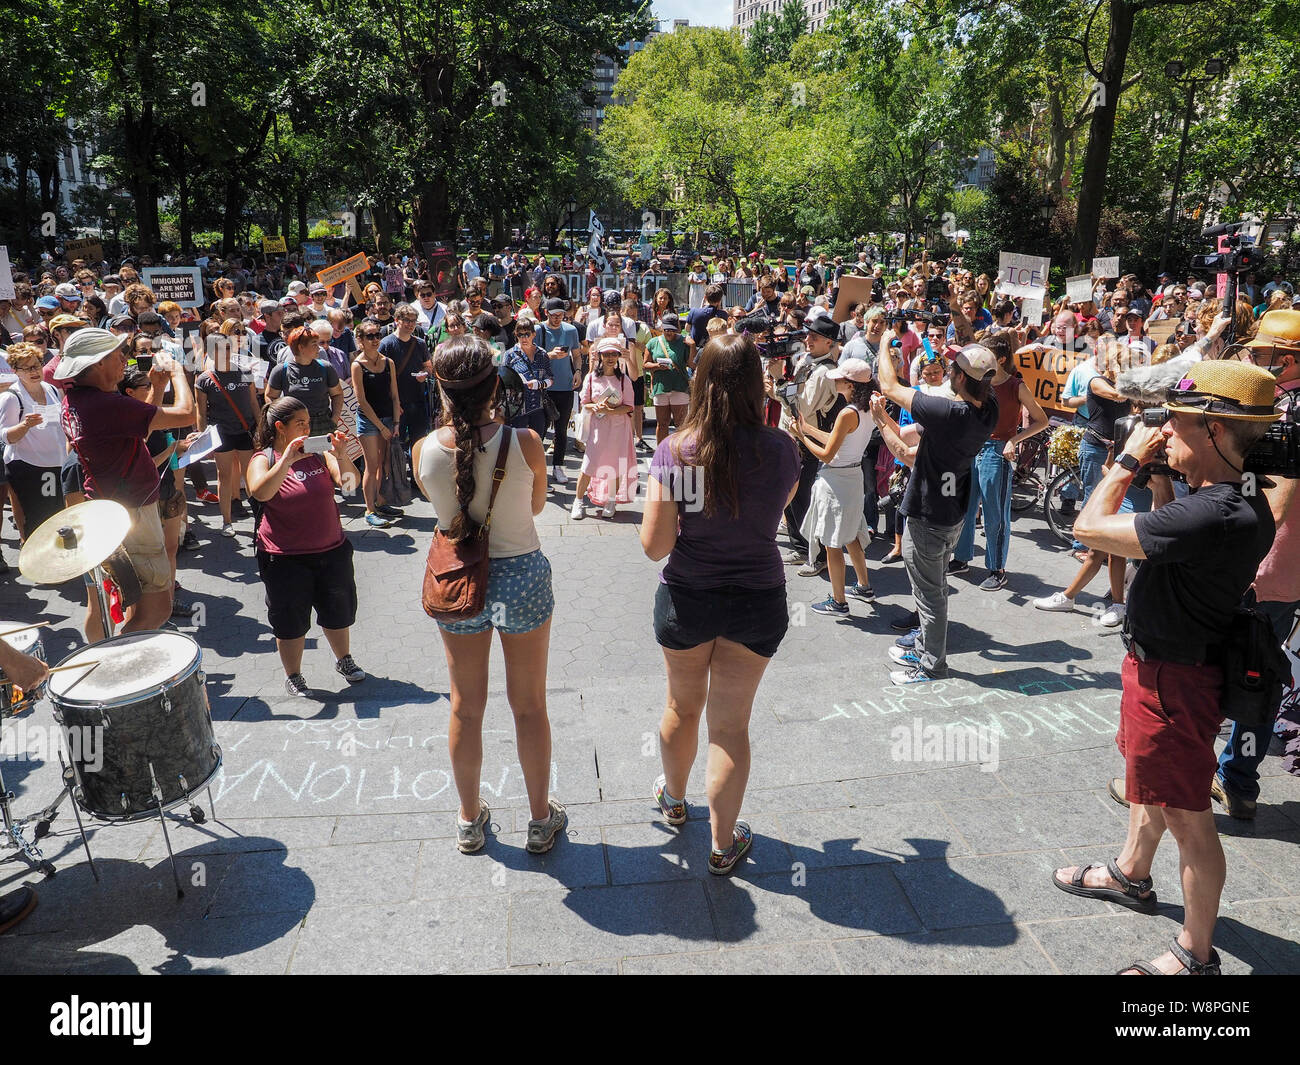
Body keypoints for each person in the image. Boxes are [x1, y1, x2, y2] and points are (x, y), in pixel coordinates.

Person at [1053, 360, 1280, 976]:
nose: (1161, 431)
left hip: (1176, 680)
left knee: (1187, 814)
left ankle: (1195, 954)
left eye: (1174, 422)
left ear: (1212, 428)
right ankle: (1131, 872)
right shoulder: (1232, 496)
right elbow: (1174, 533)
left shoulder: (1215, 512)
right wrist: (1162, 476)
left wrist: (1127, 461)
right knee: (1145, 782)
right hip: (1161, 666)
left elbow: (1088, 527)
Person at [641, 333, 801, 874]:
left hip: (688, 596)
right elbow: (775, 511)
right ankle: (722, 843)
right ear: (758, 385)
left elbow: (655, 546)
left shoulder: (678, 451)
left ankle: (674, 799)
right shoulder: (782, 448)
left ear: (700, 381)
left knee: (681, 707)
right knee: (730, 728)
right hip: (757, 599)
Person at [412, 336, 565, 855]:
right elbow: (539, 508)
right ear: (495, 386)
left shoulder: (425, 450)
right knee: (528, 705)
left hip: (459, 581)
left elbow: (435, 499)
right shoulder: (525, 443)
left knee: (465, 706)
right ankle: (541, 820)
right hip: (520, 574)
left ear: (441, 388)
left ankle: (468, 819)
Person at [55, 328, 194, 637]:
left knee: (133, 601)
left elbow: (137, 436)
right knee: (159, 607)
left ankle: (126, 650)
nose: (125, 360)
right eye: (118, 354)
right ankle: (118, 655)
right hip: (133, 512)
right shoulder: (107, 405)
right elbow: (187, 413)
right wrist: (177, 371)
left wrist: (156, 387)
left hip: (113, 508)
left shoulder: (79, 400)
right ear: (99, 363)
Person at [874, 343, 999, 684]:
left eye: (953, 369)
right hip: (951, 512)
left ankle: (932, 665)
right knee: (936, 587)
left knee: (929, 596)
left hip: (929, 517)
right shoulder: (989, 408)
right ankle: (925, 646)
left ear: (958, 377)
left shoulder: (946, 413)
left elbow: (889, 386)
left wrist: (886, 342)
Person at [247, 397, 365, 697]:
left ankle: (344, 659)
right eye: (300, 423)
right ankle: (294, 674)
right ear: (280, 427)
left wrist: (341, 455)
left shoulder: (319, 455)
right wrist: (286, 460)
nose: (308, 428)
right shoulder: (264, 459)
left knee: (338, 609)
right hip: (284, 558)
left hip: (331, 550)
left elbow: (350, 486)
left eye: (308, 423)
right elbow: (261, 492)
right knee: (290, 620)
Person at [951, 333, 1049, 589]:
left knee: (995, 514)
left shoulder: (1015, 385)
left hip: (996, 451)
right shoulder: (977, 382)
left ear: (1001, 359)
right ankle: (961, 557)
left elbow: (1042, 420)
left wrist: (1014, 440)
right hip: (971, 449)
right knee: (965, 507)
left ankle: (997, 568)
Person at [788, 358, 877, 616]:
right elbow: (837, 440)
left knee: (832, 543)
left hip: (836, 481)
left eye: (839, 378)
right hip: (852, 476)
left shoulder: (847, 412)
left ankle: (839, 602)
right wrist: (808, 429)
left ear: (849, 384)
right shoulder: (865, 409)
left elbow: (827, 454)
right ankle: (863, 586)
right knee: (850, 536)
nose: (835, 380)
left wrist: (803, 436)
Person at [781, 315, 843, 576]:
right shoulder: (807, 362)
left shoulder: (824, 372)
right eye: (807, 335)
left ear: (829, 343)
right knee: (790, 495)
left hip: (805, 440)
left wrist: (779, 391)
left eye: (814, 337)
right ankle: (799, 545)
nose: (807, 340)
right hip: (792, 434)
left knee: (802, 496)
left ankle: (815, 555)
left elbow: (803, 407)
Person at [196, 319, 260, 537]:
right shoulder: (204, 379)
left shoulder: (245, 371)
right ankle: (226, 521)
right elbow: (201, 412)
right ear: (211, 353)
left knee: (251, 476)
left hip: (245, 431)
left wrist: (261, 428)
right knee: (224, 477)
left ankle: (260, 518)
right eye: (219, 350)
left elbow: (254, 404)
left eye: (228, 348)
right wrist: (204, 440)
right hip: (221, 434)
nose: (225, 353)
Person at [0, 342, 67, 538]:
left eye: (37, 365)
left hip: (57, 464)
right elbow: (5, 437)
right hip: (30, 467)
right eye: (27, 368)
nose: (34, 371)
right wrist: (25, 426)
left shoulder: (51, 389)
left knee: (58, 517)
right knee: (39, 520)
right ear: (15, 370)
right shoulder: (11, 397)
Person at [571, 338, 637, 519]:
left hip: (618, 429)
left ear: (618, 356)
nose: (610, 358)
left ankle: (611, 500)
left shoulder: (624, 380)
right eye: (606, 354)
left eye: (613, 354)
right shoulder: (591, 377)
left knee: (615, 466)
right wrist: (597, 407)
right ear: (600, 356)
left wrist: (610, 410)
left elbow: (629, 406)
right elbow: (585, 403)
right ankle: (578, 501)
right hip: (598, 428)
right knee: (588, 465)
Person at [350, 321, 403, 528]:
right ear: (360, 341)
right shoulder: (357, 365)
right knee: (371, 466)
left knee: (383, 464)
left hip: (388, 418)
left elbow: (395, 395)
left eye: (377, 335)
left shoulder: (388, 362)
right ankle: (369, 509)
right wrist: (381, 427)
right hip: (368, 420)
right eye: (370, 336)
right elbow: (361, 400)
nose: (375, 340)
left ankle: (380, 501)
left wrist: (396, 423)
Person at [264, 326, 343, 437]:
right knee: (298, 454)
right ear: (301, 347)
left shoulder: (325, 367)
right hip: (295, 426)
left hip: (322, 423)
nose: (319, 348)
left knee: (326, 455)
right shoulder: (281, 370)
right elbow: (270, 396)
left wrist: (334, 419)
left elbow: (337, 394)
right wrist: (281, 419)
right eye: (314, 344)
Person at [535, 298, 581, 485]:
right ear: (546, 313)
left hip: (565, 385)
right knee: (540, 429)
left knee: (562, 429)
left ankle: (558, 466)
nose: (557, 319)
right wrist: (549, 355)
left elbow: (577, 355)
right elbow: (530, 355)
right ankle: (538, 469)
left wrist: (578, 371)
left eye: (561, 315)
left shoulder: (571, 330)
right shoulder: (538, 330)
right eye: (554, 315)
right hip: (545, 387)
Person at [645, 312, 693, 444]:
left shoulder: (684, 341)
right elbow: (645, 364)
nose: (669, 333)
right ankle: (661, 453)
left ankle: (680, 452)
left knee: (680, 424)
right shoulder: (653, 342)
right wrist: (657, 365)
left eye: (672, 330)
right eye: (666, 329)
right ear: (662, 328)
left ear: (677, 329)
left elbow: (692, 363)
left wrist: (692, 346)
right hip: (661, 387)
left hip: (679, 387)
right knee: (662, 423)